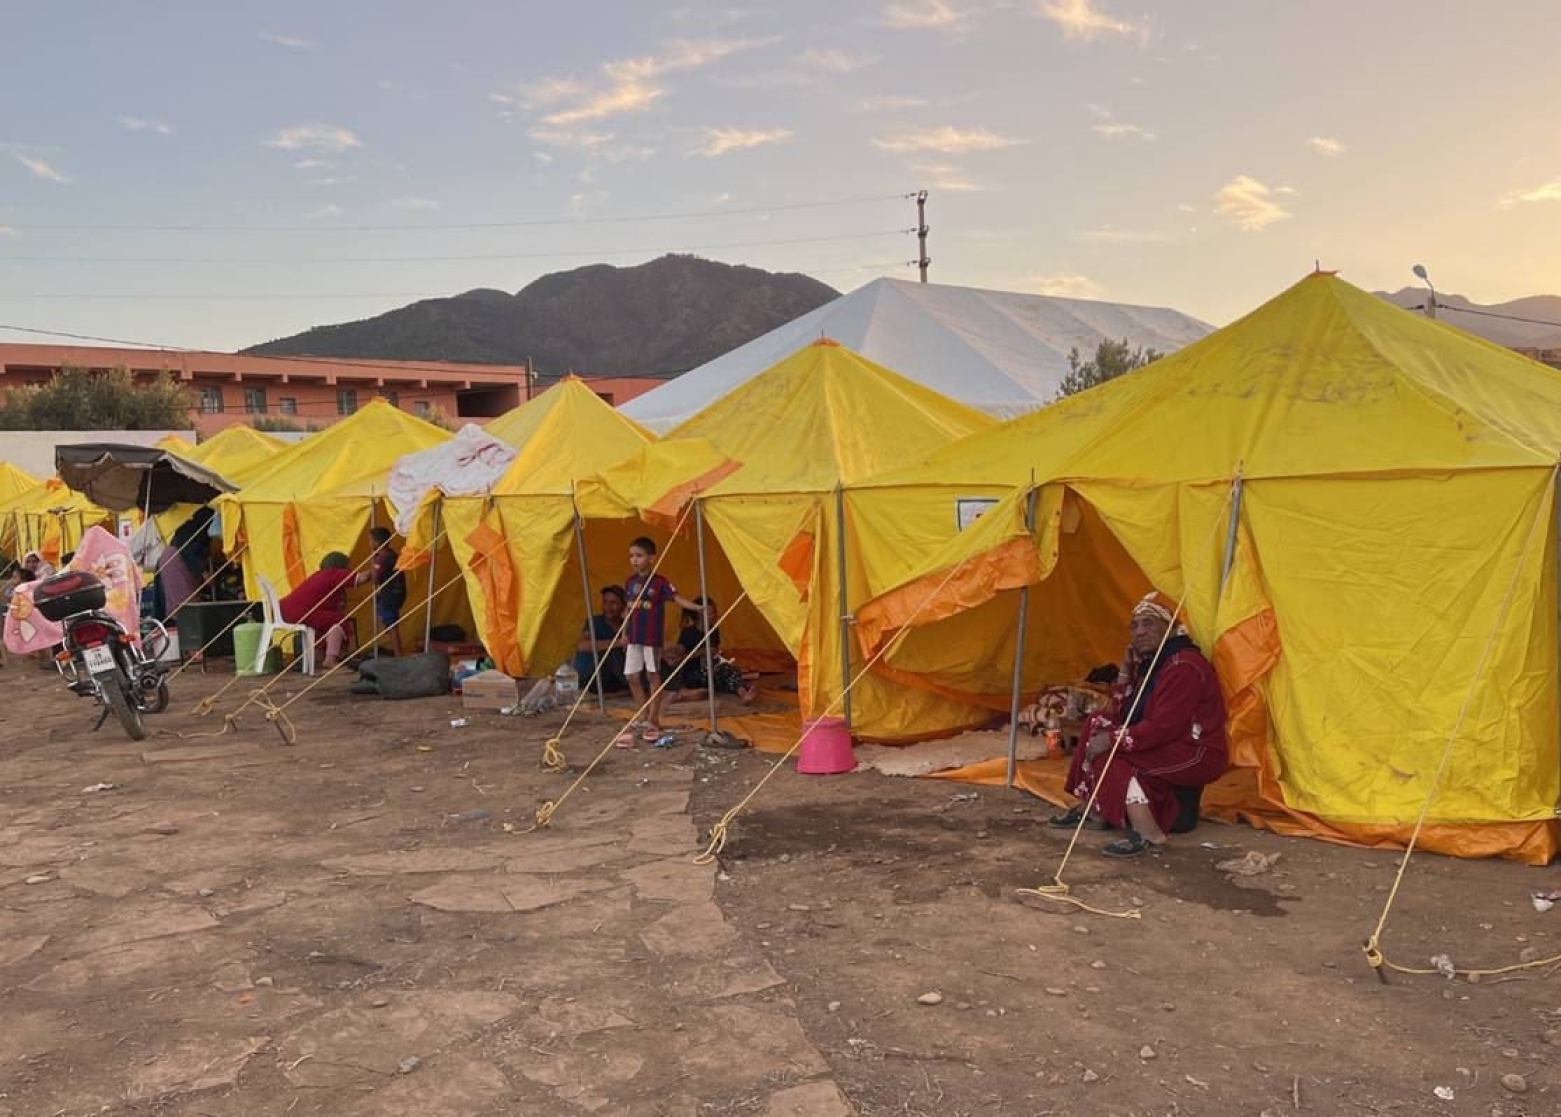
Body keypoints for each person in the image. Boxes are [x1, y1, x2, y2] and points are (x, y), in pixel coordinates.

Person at [1048, 591, 1228, 858]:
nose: (1140, 632)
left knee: (1110, 754)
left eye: (1148, 623)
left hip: (1195, 750)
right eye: (1134, 626)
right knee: (1097, 723)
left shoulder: (1184, 666)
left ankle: (1149, 832)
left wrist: (1112, 741)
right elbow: (1124, 714)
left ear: (1169, 629)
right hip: (1170, 741)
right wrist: (1125, 670)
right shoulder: (1154, 665)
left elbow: (1165, 726)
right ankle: (1094, 809)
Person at [617, 536, 707, 747]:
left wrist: (696, 608)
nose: (634, 560)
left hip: (650, 638)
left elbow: (677, 598)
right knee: (631, 676)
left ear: (651, 558)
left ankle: (653, 719)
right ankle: (643, 715)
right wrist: (623, 632)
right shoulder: (630, 582)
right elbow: (629, 609)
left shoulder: (660, 582)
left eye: (639, 556)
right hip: (634, 637)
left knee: (652, 675)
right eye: (631, 556)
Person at [278, 552, 370, 669]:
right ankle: (330, 659)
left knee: (328, 619)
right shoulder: (332, 574)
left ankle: (325, 655)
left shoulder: (320, 575)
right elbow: (362, 578)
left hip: (285, 610)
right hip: (296, 612)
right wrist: (376, 569)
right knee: (338, 620)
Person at [664, 597, 758, 704]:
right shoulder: (688, 632)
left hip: (710, 668)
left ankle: (744, 694)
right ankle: (742, 691)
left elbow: (714, 652)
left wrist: (713, 654)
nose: (712, 616)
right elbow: (680, 658)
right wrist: (701, 652)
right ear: (699, 614)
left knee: (727, 670)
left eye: (713, 613)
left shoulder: (714, 630)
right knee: (724, 672)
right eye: (708, 613)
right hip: (693, 674)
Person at [576, 584, 630, 694]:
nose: (608, 607)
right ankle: (641, 686)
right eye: (605, 602)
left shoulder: (626, 626)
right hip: (591, 678)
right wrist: (619, 642)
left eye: (613, 603)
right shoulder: (594, 622)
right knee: (610, 652)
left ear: (624, 607)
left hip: (613, 680)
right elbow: (582, 646)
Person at [368, 527, 408, 655]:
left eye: (370, 540)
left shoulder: (382, 558)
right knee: (390, 624)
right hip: (398, 592)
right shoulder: (392, 554)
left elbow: (375, 579)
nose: (369, 544)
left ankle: (398, 655)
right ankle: (398, 652)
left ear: (377, 542)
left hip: (389, 595)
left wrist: (373, 563)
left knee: (391, 625)